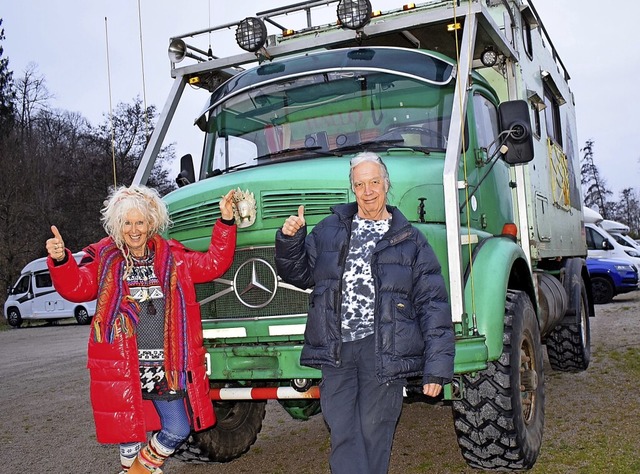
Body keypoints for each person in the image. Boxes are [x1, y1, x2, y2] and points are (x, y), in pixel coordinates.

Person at [275, 152, 455, 474]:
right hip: (337, 347)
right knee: (342, 429)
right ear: (353, 189)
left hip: (383, 348)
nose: (368, 191)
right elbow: (299, 275)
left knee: (376, 430)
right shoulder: (330, 229)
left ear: (386, 185)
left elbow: (433, 305)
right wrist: (290, 241)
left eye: (374, 182)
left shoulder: (410, 240)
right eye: (360, 184)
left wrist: (436, 369)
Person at [45, 184, 237, 474]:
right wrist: (61, 260)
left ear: (152, 224)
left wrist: (225, 222)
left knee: (177, 427)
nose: (134, 230)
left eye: (140, 222)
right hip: (124, 366)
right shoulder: (104, 259)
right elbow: (77, 286)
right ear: (117, 225)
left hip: (165, 365)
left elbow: (212, 264)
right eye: (127, 223)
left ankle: (136, 471)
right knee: (129, 436)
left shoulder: (173, 257)